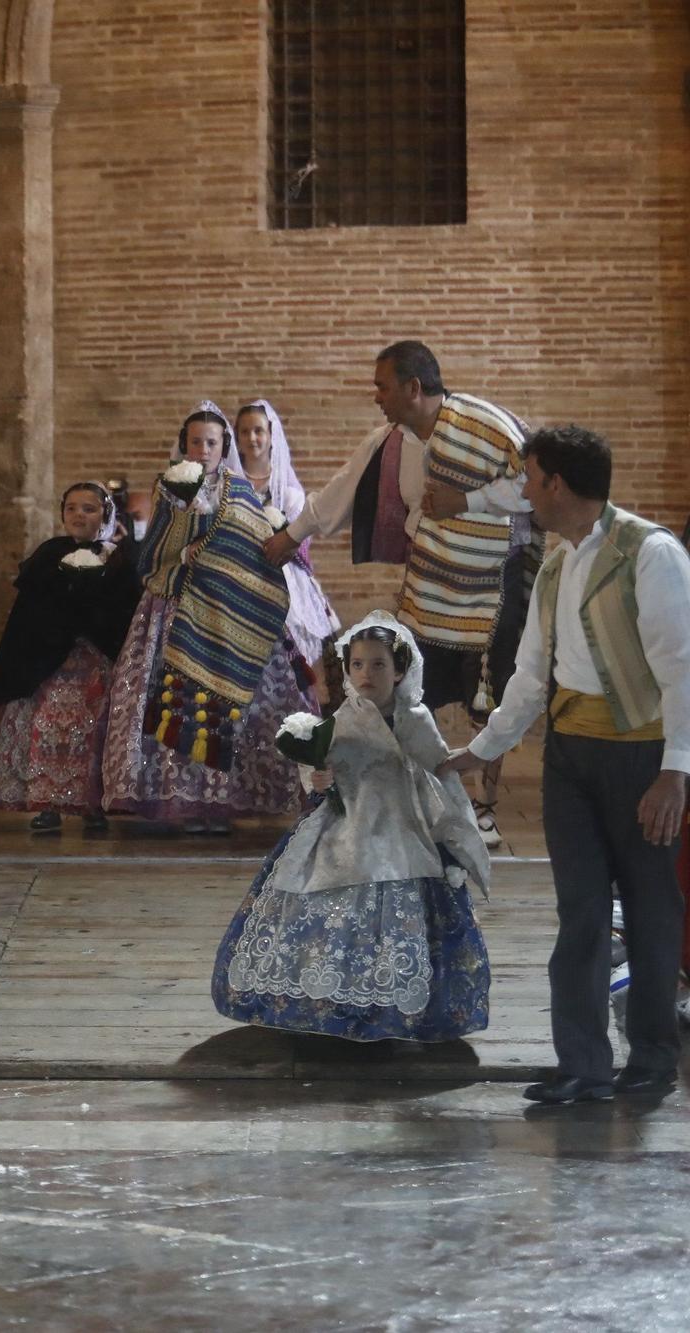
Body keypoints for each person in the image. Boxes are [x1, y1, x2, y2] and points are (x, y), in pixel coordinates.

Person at [440, 425, 690, 1104]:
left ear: (554, 482)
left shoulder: (651, 552)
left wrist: (675, 770)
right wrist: (481, 750)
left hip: (641, 754)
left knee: (649, 907)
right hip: (571, 756)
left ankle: (653, 1056)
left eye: (528, 477)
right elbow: (528, 677)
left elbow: (681, 670)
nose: (522, 489)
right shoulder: (555, 562)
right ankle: (583, 1063)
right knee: (580, 909)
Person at [266, 342, 535, 842]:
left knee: (490, 698)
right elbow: (337, 494)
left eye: (382, 386)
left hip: (490, 589)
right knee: (410, 692)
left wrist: (469, 499)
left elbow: (533, 484)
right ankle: (414, 796)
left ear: (414, 388)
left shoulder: (484, 426)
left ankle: (485, 809)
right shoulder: (391, 441)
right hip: (429, 587)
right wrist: (291, 536)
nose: (376, 397)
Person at [213, 612, 491, 1041]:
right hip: (347, 826)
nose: (366, 674)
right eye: (357, 665)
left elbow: (440, 770)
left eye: (379, 664)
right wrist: (317, 778)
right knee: (326, 897)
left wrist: (453, 830)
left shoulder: (415, 718)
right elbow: (320, 766)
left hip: (402, 826)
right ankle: (326, 1002)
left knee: (406, 908)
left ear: (399, 671)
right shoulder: (344, 717)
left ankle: (399, 1005)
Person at [99, 403, 305, 833]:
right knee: (173, 699)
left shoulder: (241, 491)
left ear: (223, 446)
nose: (203, 449)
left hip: (226, 613)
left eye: (212, 442)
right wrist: (183, 556)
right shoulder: (169, 488)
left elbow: (256, 550)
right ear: (184, 444)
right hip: (173, 608)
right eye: (196, 441)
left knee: (221, 706)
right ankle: (179, 799)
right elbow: (154, 551)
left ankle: (221, 802)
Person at [0, 481, 142, 830]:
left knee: (94, 731)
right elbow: (29, 613)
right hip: (49, 661)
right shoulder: (47, 554)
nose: (79, 515)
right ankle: (47, 804)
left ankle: (93, 805)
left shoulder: (118, 558)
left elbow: (125, 611)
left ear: (105, 513)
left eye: (88, 508)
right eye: (71, 508)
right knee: (45, 726)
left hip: (97, 660)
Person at [234, 399, 340, 676]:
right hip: (238, 572)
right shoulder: (230, 483)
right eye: (244, 432)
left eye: (258, 431)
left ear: (271, 436)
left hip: (284, 574)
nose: (252, 438)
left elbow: (301, 538)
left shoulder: (289, 491)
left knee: (290, 666)